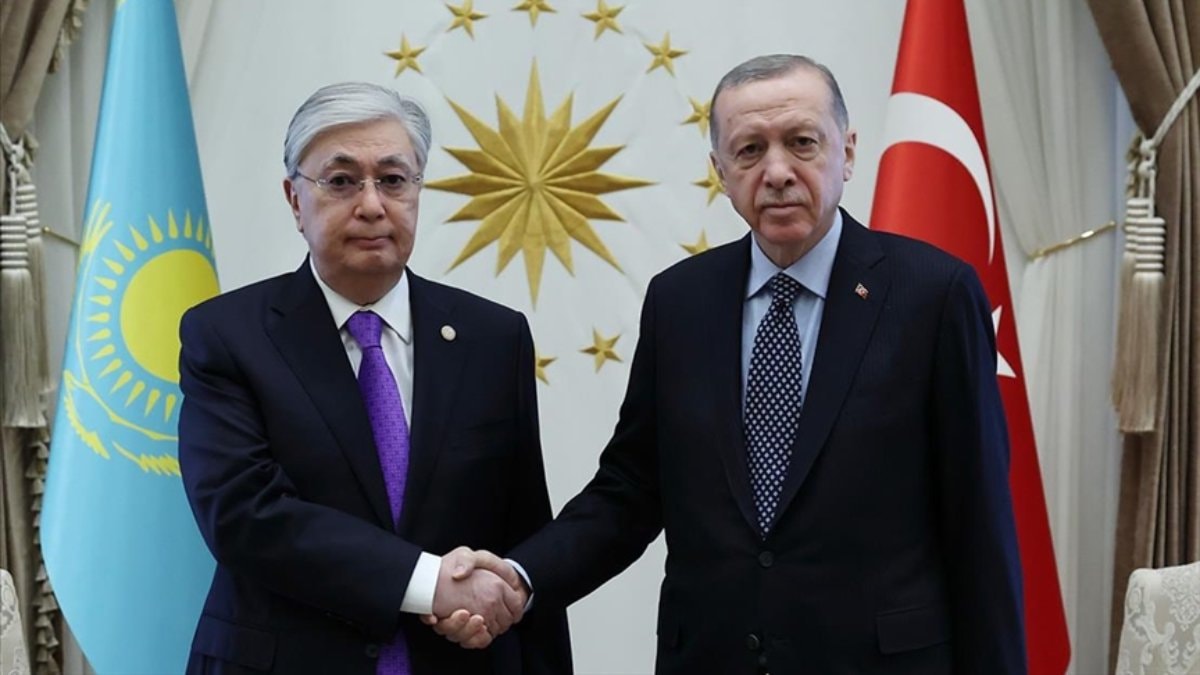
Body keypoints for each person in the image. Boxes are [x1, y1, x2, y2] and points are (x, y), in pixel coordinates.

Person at [438, 54, 1026, 673]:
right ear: (720, 171)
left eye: (802, 143)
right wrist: (521, 578)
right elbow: (631, 490)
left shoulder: (933, 294)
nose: (778, 172)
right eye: (750, 150)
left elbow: (978, 521)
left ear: (848, 152)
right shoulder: (680, 301)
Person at [177, 82, 571, 675]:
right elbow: (244, 515)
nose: (371, 205)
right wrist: (430, 582)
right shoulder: (227, 335)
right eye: (341, 181)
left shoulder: (493, 338)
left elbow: (521, 530)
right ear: (294, 199)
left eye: (392, 180)